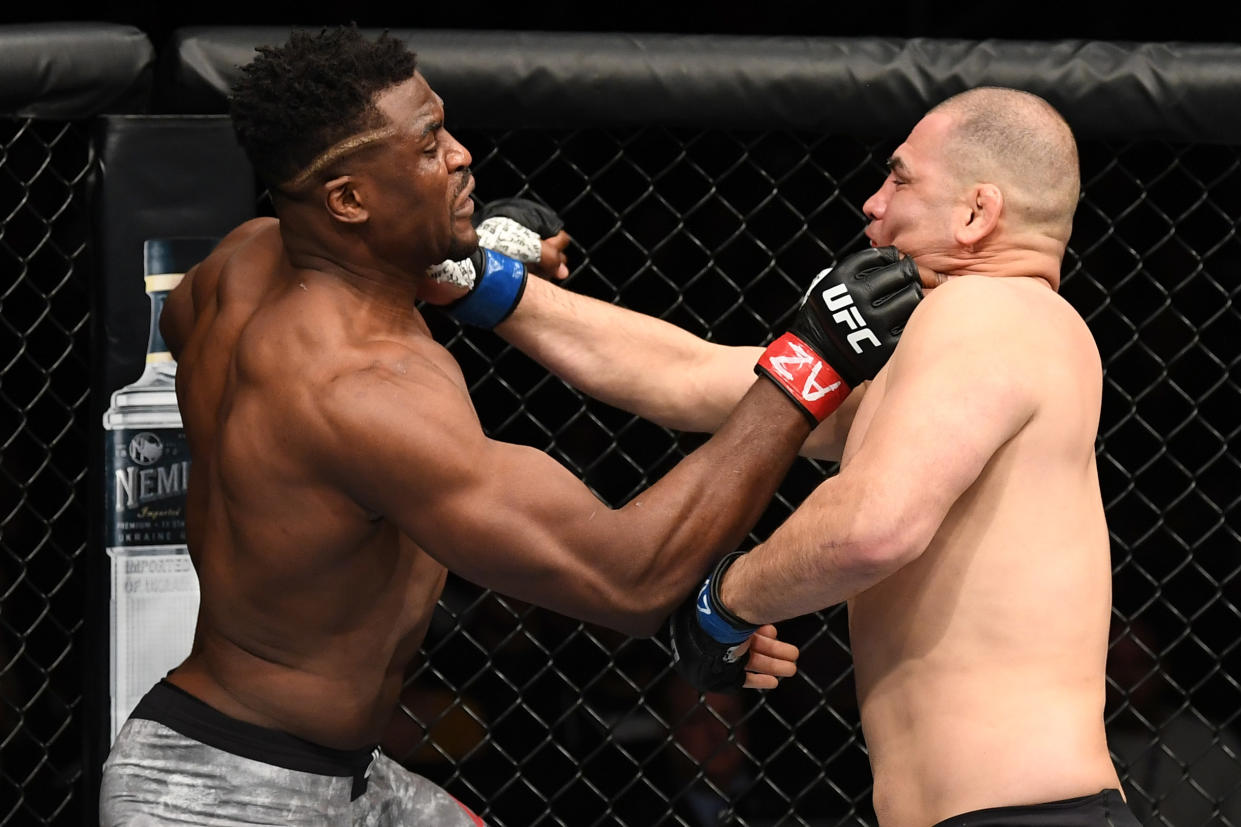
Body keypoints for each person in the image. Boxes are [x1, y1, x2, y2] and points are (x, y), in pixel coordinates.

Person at [96, 26, 923, 826]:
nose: (459, 155)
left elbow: (256, 303)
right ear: (348, 199)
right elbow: (628, 580)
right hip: (234, 798)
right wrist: (810, 360)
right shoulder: (361, 396)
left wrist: (459, 258)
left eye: (444, 128)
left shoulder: (238, 265)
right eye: (425, 147)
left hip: (312, 765)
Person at [491, 86, 1143, 827]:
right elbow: (687, 375)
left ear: (975, 212)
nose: (871, 202)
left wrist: (724, 601)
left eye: (899, 178)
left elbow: (873, 525)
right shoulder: (971, 355)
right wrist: (487, 287)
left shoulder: (990, 313)